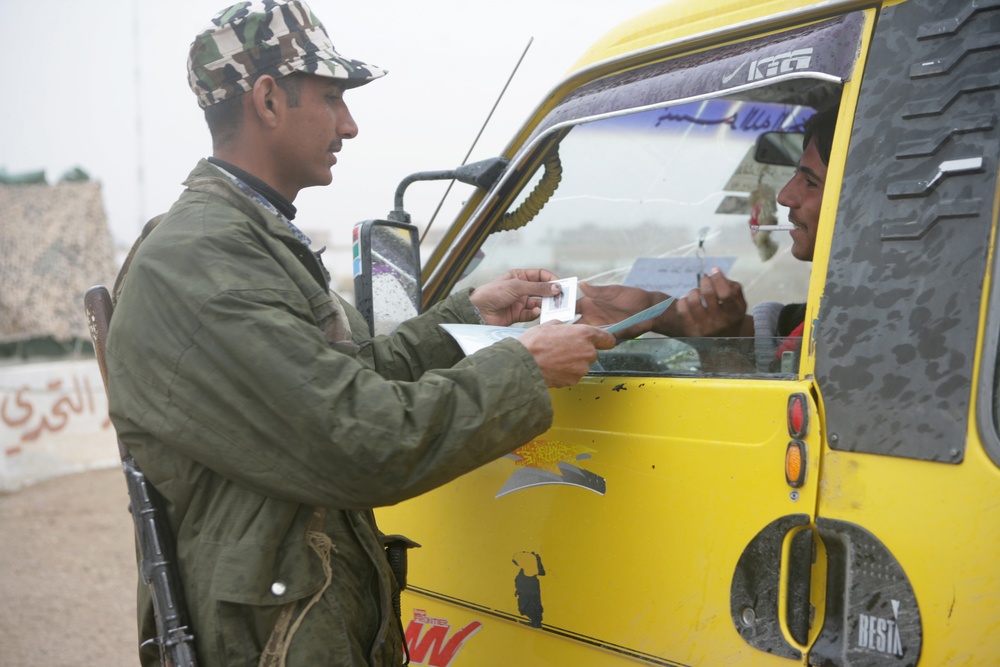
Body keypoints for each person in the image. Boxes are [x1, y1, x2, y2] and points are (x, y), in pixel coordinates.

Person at [104, 2, 615, 666]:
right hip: (271, 639)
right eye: (332, 97)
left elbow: (339, 377)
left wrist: (469, 316)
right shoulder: (204, 257)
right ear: (266, 100)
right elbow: (358, 436)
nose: (349, 123)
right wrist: (524, 363)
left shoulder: (246, 236)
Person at [578, 106, 838, 370]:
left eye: (811, 182)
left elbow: (754, 408)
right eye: (796, 175)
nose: (784, 196)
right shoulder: (836, 311)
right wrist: (652, 310)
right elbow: (785, 335)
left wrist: (717, 350)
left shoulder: (855, 329)